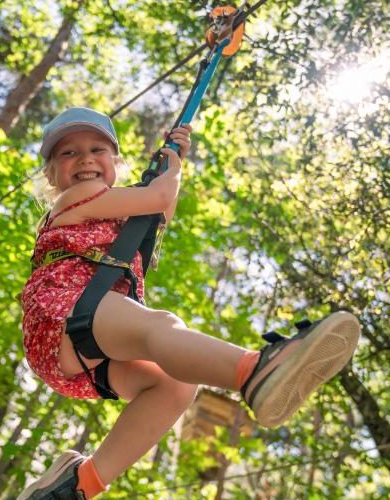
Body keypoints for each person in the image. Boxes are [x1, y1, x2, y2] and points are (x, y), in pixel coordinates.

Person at [19, 107, 360, 499]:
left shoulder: (115, 215)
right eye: (68, 153)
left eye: (98, 149)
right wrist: (172, 172)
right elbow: (159, 197)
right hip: (62, 312)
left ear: (115, 162)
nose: (84, 159)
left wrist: (171, 161)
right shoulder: (71, 200)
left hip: (79, 355)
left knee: (177, 383)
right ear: (50, 175)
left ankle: (79, 486)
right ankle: (254, 371)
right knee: (160, 326)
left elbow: (160, 212)